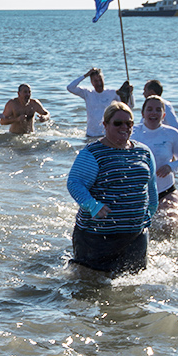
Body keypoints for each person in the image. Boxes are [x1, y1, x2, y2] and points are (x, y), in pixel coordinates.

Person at [66, 101, 158, 274]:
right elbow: (74, 183)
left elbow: (151, 186)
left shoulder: (144, 152)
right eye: (118, 123)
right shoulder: (93, 153)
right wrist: (92, 206)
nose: (124, 127)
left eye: (129, 123)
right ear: (105, 125)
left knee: (133, 289)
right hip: (96, 237)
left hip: (135, 236)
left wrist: (150, 210)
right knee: (90, 287)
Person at [132, 95, 178, 214]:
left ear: (163, 115)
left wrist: (170, 167)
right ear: (143, 113)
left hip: (166, 191)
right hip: (139, 192)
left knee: (171, 225)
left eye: (158, 110)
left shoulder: (172, 133)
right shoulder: (133, 133)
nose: (154, 113)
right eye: (149, 109)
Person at [67, 67, 122, 141]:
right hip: (91, 135)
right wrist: (85, 75)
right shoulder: (87, 93)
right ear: (92, 82)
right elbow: (70, 87)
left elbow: (129, 105)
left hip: (106, 135)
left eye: (100, 80)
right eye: (96, 81)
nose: (99, 83)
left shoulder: (112, 93)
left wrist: (130, 94)